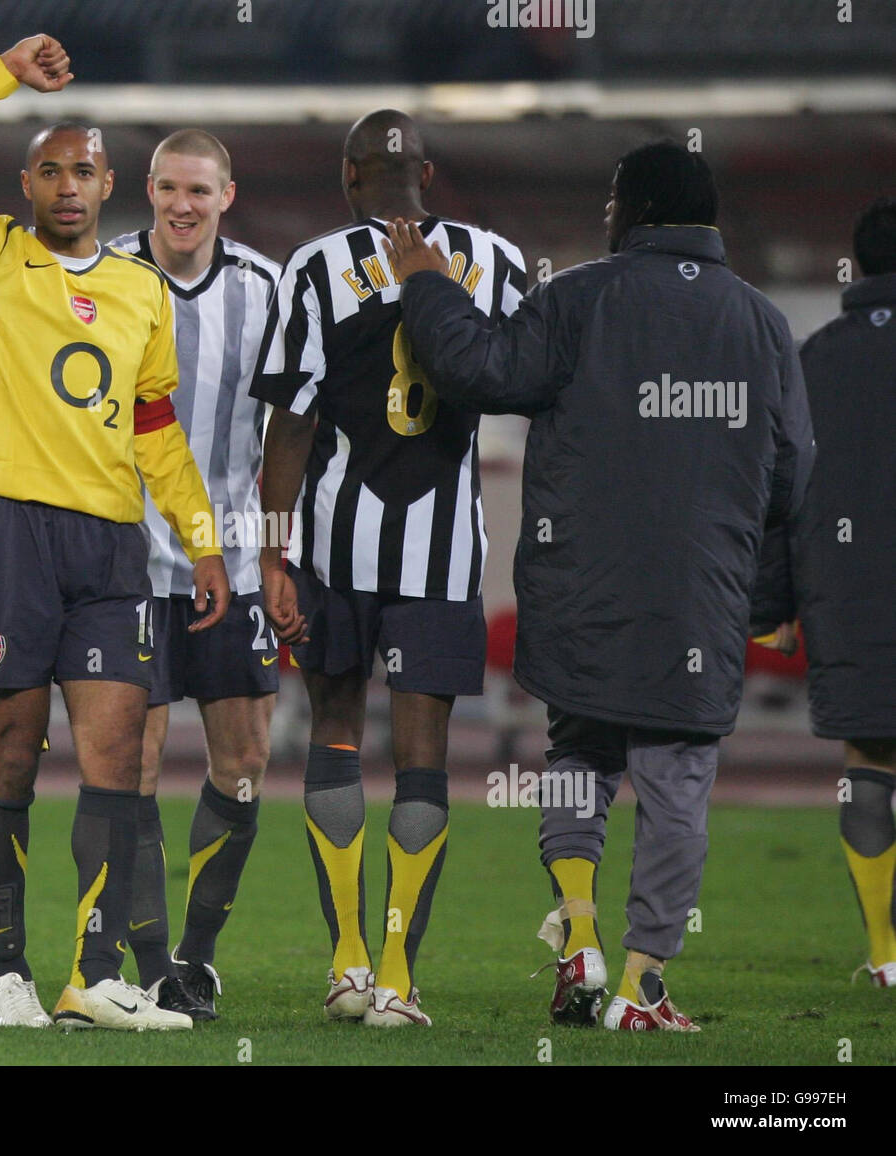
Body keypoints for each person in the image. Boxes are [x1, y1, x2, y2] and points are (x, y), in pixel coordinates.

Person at [386, 139, 815, 1031]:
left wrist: (426, 281)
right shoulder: (764, 323)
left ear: (636, 205)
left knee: (578, 758)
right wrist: (767, 599)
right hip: (697, 597)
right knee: (675, 783)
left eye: (614, 194)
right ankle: (642, 984)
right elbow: (792, 479)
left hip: (578, 590)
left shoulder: (577, 295)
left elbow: (482, 370)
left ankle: (577, 935)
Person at [0, 34, 230, 1032]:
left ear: (106, 182)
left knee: (116, 758)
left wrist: (202, 540)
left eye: (84, 169)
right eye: (49, 168)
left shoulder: (140, 292)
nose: (69, 184)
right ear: (27, 182)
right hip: (10, 539)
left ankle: (90, 976)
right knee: (6, 761)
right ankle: (8, 972)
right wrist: (2, 74)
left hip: (110, 547)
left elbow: (157, 431)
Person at [253, 110, 526, 1027]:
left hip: (336, 545)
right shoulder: (498, 261)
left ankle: (347, 962)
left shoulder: (314, 267)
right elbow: (527, 388)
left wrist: (271, 552)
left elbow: (288, 421)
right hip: (444, 554)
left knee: (334, 732)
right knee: (424, 759)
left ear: (348, 176)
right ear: (431, 174)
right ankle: (401, 979)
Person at [107, 130, 280, 1020]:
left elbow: (296, 430)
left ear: (227, 196)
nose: (183, 205)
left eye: (200, 191)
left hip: (235, 562)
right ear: (147, 189)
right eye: (169, 188)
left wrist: (284, 552)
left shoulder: (266, 290)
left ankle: (197, 955)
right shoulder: (99, 279)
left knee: (245, 760)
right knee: (132, 763)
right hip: (128, 565)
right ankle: (148, 966)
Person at [752, 196, 896, 988]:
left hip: (848, 593)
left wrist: (772, 604)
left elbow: (781, 494)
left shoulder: (813, 360)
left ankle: (884, 954)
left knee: (868, 759)